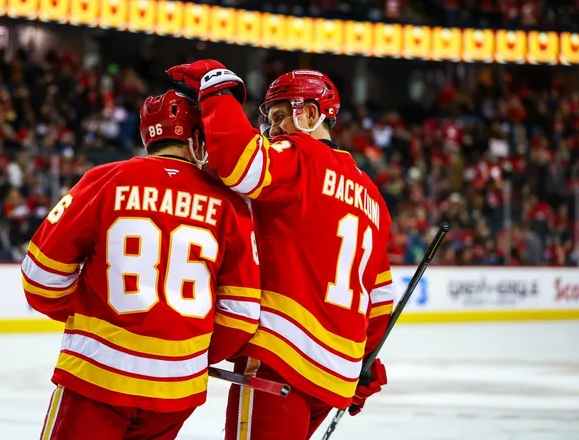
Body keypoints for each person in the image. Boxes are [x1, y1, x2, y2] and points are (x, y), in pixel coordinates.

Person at [167, 61, 395, 439]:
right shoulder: (371, 195)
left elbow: (239, 162)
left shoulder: (301, 156)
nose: (272, 131)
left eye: (278, 116)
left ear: (309, 114)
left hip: (281, 356)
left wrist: (217, 89)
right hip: (335, 372)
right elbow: (380, 297)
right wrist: (365, 362)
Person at [22, 89, 261, 440]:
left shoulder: (104, 180)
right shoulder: (230, 204)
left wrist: (87, 311)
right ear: (196, 138)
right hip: (175, 392)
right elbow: (241, 315)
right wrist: (189, 354)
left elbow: (40, 278)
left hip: (97, 377)